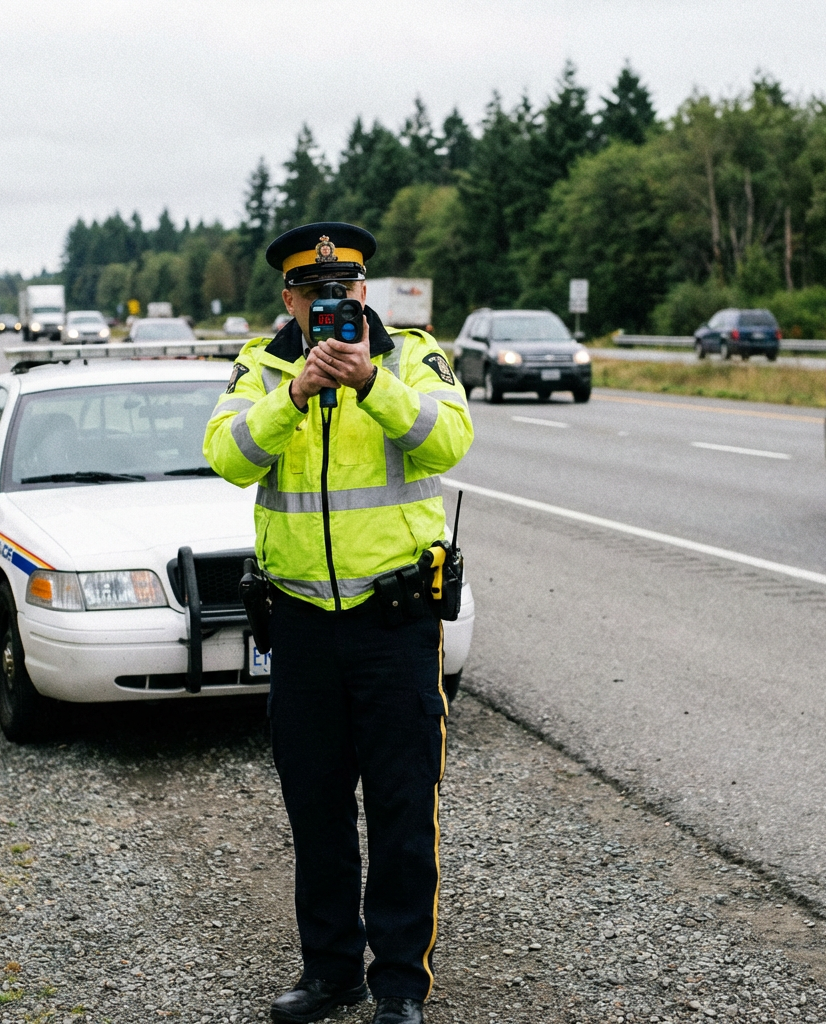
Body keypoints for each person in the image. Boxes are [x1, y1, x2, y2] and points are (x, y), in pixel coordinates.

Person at [203, 222, 473, 1024]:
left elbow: (451, 439)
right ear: (288, 299)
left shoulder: (412, 357)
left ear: (364, 292)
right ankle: (329, 973)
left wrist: (370, 385)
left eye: (345, 291)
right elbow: (226, 455)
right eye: (314, 294)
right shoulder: (261, 365)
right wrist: (292, 397)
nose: (331, 307)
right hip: (303, 626)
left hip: (394, 624)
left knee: (400, 808)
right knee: (315, 809)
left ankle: (397, 985)